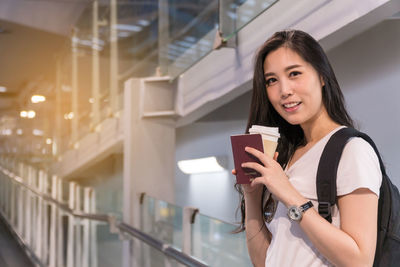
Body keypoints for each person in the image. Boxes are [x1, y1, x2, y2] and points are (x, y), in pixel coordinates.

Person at [233, 30, 382, 267]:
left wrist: (288, 193)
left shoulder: (352, 150)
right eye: (272, 80)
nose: (284, 91)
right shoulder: (290, 155)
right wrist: (252, 198)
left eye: (294, 74)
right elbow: (264, 262)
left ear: (322, 76)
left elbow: (360, 260)